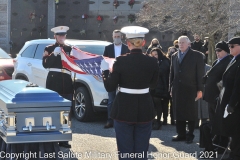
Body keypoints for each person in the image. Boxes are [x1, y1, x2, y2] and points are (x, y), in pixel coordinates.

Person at [101, 26, 159, 160]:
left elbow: (110, 87)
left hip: (124, 109)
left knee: (125, 151)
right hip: (145, 107)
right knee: (141, 151)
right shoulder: (152, 61)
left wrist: (104, 72)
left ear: (128, 43)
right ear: (143, 43)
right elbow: (154, 85)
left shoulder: (120, 61)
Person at [170, 35, 205, 144]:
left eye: (183, 42)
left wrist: (200, 89)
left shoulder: (197, 55)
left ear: (188, 43)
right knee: (178, 111)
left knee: (190, 113)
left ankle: (190, 135)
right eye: (179, 43)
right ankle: (181, 134)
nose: (181, 44)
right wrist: (171, 87)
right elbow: (172, 73)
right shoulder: (174, 55)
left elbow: (200, 74)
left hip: (191, 88)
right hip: (177, 88)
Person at [42, 26, 72, 148]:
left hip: (67, 82)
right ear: (55, 36)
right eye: (59, 35)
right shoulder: (49, 48)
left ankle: (64, 139)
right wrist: (54, 54)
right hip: (54, 82)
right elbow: (45, 64)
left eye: (63, 35)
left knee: (66, 112)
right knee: (53, 110)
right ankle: (52, 137)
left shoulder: (70, 48)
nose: (61, 37)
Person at [213, 37, 240, 159]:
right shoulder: (234, 59)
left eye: (232, 46)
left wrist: (232, 104)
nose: (230, 48)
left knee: (235, 130)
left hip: (235, 104)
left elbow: (238, 86)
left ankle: (235, 154)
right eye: (229, 46)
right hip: (228, 100)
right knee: (230, 129)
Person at [103, 29, 130, 129]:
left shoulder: (127, 48)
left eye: (118, 36)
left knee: (123, 99)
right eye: (115, 36)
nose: (116, 38)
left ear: (121, 37)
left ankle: (122, 120)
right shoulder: (108, 48)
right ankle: (110, 120)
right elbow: (105, 62)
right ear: (112, 37)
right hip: (111, 77)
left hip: (123, 78)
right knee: (111, 100)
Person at [203, 41, 232, 124]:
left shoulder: (228, 62)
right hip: (211, 96)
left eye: (219, 50)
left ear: (226, 51)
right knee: (212, 120)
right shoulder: (217, 61)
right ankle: (213, 136)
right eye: (216, 50)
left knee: (219, 122)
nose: (217, 52)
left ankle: (218, 137)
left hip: (218, 97)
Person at [150, 48, 170, 129]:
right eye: (152, 55)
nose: (154, 56)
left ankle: (160, 120)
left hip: (162, 86)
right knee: (155, 104)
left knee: (160, 104)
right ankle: (157, 120)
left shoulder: (165, 61)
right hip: (154, 87)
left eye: (156, 54)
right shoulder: (153, 62)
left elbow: (162, 72)